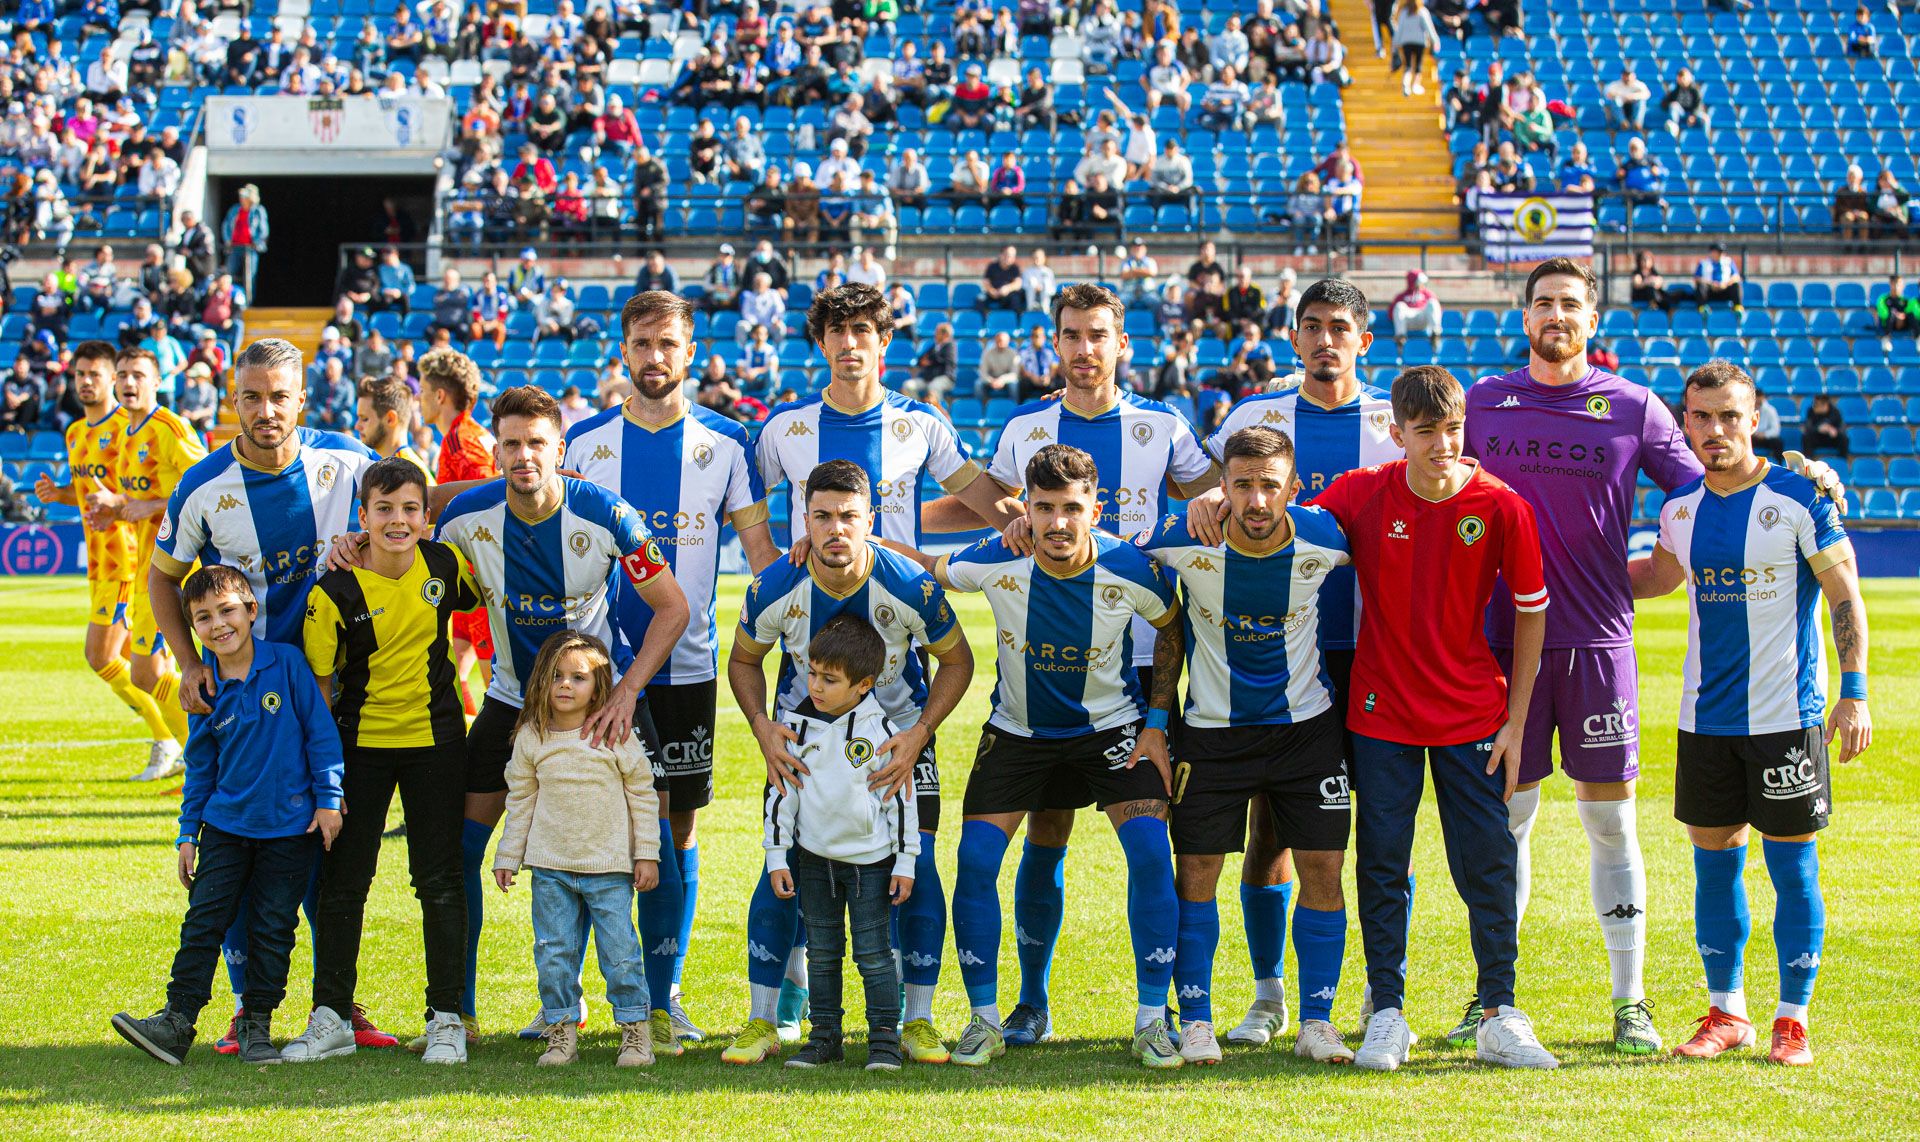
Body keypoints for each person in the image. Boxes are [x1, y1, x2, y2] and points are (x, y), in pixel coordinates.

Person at [922, 286, 1216, 1048]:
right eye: (1072, 336)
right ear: (1055, 344)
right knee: (1043, 837)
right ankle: (1026, 1004)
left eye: (1099, 336)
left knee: (1158, 844)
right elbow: (994, 518)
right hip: (1038, 675)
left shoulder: (1162, 425)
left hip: (1140, 666)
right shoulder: (1027, 428)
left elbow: (1212, 499)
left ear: (1122, 343)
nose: (1085, 350)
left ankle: (1162, 1013)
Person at [1307, 365, 1557, 1072]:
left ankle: (1500, 1012)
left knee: (1487, 861)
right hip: (1380, 711)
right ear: (1397, 435)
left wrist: (1516, 720)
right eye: (1427, 432)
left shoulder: (1503, 505)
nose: (1444, 444)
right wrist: (1213, 506)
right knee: (1383, 862)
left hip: (1474, 711)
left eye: (1453, 429)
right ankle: (1387, 1012)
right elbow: (1289, 530)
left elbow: (1533, 612)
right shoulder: (1361, 493)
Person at [426, 385, 690, 1048]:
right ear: (495, 450)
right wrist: (353, 541)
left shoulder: (607, 515)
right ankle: (456, 1009)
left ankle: (656, 1008)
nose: (523, 456)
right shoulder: (464, 521)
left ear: (560, 449)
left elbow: (672, 606)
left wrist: (628, 690)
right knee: (460, 851)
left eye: (536, 443)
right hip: (513, 701)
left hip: (602, 710)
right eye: (510, 444)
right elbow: (406, 556)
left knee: (653, 843)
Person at [905, 444, 1185, 1068]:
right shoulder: (1000, 557)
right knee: (976, 861)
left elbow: (1171, 626)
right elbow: (926, 569)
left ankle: (1151, 1019)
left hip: (1111, 730)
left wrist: (1158, 722)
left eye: (1071, 508)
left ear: (1095, 508)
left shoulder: (1129, 567)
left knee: (1148, 850)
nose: (1057, 523)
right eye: (1044, 508)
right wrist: (853, 537)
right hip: (1020, 733)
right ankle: (990, 1017)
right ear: (1024, 509)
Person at [1631, 360, 1872, 1067]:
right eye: (1701, 417)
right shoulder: (1680, 508)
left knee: (1793, 869)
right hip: (1706, 720)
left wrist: (1853, 691)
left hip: (1787, 719)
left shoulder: (1801, 497)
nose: (1715, 430)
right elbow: (1656, 577)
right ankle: (1726, 1011)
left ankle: (1791, 1020)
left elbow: (1845, 597)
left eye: (1730, 416)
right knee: (1714, 870)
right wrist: (1561, 575)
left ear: (1755, 417)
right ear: (1685, 423)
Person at [565, 291, 782, 1045]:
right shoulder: (583, 443)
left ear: (691, 353)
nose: (655, 358)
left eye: (669, 345)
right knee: (590, 830)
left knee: (675, 830)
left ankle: (662, 997)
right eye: (642, 344)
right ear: (622, 350)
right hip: (593, 669)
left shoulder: (726, 443)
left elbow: (759, 558)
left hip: (685, 670)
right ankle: (571, 999)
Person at [731, 467, 973, 1066]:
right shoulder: (773, 587)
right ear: (804, 520)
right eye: (822, 516)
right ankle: (764, 1019)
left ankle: (916, 1021)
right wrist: (765, 730)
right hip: (803, 745)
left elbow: (958, 662)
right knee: (783, 864)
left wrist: (918, 735)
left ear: (871, 520)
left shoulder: (910, 585)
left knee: (918, 868)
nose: (835, 529)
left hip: (898, 747)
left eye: (848, 517)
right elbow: (742, 661)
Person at [1138, 426, 1357, 1065]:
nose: (1257, 501)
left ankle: (1318, 1020)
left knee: (1322, 869)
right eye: (1242, 486)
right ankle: (1198, 1019)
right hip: (1212, 736)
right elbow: (1101, 552)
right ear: (1222, 488)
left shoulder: (1328, 538)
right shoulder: (1184, 538)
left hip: (1307, 732)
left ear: (1293, 487)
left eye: (1269, 485)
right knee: (1198, 873)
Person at [282, 458, 480, 1065]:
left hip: (437, 743)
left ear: (426, 516)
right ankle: (332, 1017)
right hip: (358, 748)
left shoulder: (446, 565)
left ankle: (446, 1018)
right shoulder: (334, 587)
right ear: (361, 517)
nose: (398, 521)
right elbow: (319, 689)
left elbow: (476, 616)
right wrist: (325, 777)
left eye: (411, 509)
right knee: (344, 884)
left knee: (440, 881)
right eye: (384, 510)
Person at [109, 566, 345, 1067]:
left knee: (273, 928)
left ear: (251, 611)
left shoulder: (287, 664)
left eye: (227, 610)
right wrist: (187, 834)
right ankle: (176, 1021)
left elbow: (320, 735)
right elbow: (200, 769)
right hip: (224, 830)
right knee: (203, 923)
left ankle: (257, 1027)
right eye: (203, 617)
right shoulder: (203, 686)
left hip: (290, 830)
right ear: (193, 629)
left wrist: (328, 799)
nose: (219, 624)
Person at [33, 340, 179, 777]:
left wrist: (131, 506)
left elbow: (135, 493)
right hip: (98, 561)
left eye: (94, 373)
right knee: (135, 664)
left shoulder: (128, 427)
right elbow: (92, 495)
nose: (86, 381)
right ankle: (175, 738)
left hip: (130, 557)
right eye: (79, 374)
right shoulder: (76, 433)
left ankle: (169, 738)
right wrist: (59, 494)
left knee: (105, 657)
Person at [90, 348, 206, 776]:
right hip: (147, 566)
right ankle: (201, 757)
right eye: (122, 374)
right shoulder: (125, 433)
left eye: (138, 374)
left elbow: (207, 484)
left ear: (156, 382)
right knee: (143, 672)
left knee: (147, 670)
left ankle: (209, 753)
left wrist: (148, 504)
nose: (128, 382)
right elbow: (140, 502)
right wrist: (118, 509)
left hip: (179, 568)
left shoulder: (170, 428)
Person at [419, 348, 499, 723]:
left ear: (439, 396)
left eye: (421, 391)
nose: (418, 400)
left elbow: (493, 493)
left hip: (481, 568)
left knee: (496, 680)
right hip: (468, 567)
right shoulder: (470, 433)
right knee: (459, 650)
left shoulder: (460, 443)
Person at [220, 185, 269, 298]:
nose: (242, 198)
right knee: (229, 274)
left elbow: (263, 230)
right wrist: (228, 240)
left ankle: (248, 302)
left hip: (250, 248)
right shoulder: (235, 209)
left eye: (245, 196)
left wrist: (256, 242)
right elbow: (226, 225)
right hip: (235, 247)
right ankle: (230, 300)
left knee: (249, 277)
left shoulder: (258, 211)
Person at [1391, 0, 1440, 97]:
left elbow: (1399, 29)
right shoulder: (1422, 11)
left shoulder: (1404, 12)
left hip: (1406, 42)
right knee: (1418, 66)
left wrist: (1395, 44)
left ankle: (1406, 83)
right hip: (1419, 42)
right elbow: (1429, 27)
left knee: (1408, 65)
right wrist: (1435, 41)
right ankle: (1416, 84)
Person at [909, 322, 958, 404]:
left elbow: (946, 362)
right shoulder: (935, 346)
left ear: (945, 335)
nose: (935, 335)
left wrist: (931, 361)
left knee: (934, 386)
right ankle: (918, 409)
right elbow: (921, 359)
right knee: (909, 386)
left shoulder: (950, 346)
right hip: (928, 377)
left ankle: (937, 413)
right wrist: (923, 362)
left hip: (945, 378)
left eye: (937, 332)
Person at [1390, 270, 1442, 342]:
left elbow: (1436, 311)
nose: (1421, 284)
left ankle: (1435, 334)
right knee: (1399, 305)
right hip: (1407, 320)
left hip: (1423, 319)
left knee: (1433, 302)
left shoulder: (1428, 294)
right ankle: (1400, 337)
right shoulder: (1401, 296)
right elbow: (1391, 313)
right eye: (1419, 282)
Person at [1662, 66, 1709, 138]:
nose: (1682, 81)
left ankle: (1705, 139)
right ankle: (1674, 127)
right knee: (1674, 106)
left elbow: (1699, 104)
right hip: (1681, 113)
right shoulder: (1676, 91)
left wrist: (1693, 115)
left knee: (1705, 119)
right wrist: (1669, 104)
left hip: (1693, 113)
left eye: (1683, 78)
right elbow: (1664, 102)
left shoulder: (1695, 91)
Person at [1694, 243, 1743, 308]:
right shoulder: (1703, 263)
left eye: (1722, 252)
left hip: (1725, 290)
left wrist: (1725, 284)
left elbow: (1736, 277)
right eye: (1718, 252)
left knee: (1736, 285)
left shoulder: (1729, 262)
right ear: (1712, 252)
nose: (1721, 254)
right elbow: (1697, 278)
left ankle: (1738, 307)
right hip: (1710, 292)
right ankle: (1702, 307)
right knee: (1701, 286)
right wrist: (1711, 284)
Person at [1800, 393, 1848, 459]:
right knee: (1806, 437)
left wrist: (1834, 431)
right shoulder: (1810, 411)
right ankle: (1808, 461)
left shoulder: (1835, 412)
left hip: (1832, 439)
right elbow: (1808, 428)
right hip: (1817, 437)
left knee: (1844, 438)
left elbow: (1841, 428)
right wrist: (1818, 428)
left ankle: (1842, 461)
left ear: (1826, 404)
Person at [1602, 65, 1648, 131]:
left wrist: (1632, 97)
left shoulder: (1639, 85)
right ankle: (1623, 122)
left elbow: (1646, 94)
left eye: (1629, 75)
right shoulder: (1615, 85)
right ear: (1622, 76)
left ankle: (1637, 123)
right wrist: (1623, 97)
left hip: (1633, 108)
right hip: (1620, 109)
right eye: (1625, 75)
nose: (1627, 78)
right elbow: (1608, 94)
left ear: (1633, 76)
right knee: (1614, 102)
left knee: (1641, 102)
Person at [979, 330, 1020, 398]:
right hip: (991, 380)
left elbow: (1014, 374)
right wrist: (991, 381)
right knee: (978, 385)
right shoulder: (987, 353)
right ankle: (981, 407)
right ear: (995, 340)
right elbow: (983, 373)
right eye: (999, 340)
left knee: (1014, 385)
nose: (1000, 343)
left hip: (1006, 381)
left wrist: (1002, 380)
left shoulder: (1013, 354)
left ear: (1008, 341)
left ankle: (1014, 406)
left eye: (1003, 341)